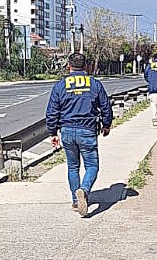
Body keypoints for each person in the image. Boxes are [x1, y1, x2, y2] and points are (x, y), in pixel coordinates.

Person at [46, 53, 113, 217]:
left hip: (67, 131)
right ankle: (84, 190)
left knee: (72, 166)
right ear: (86, 67)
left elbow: (52, 111)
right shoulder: (95, 84)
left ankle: (76, 201)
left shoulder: (60, 85)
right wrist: (106, 124)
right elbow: (105, 106)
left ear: (69, 66)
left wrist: (52, 132)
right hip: (87, 130)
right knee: (92, 166)